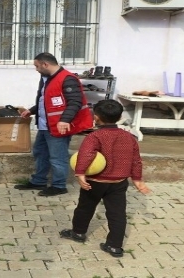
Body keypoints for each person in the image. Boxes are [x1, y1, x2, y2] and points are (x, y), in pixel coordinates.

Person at [59, 99, 150, 258]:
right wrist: (137, 179)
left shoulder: (95, 136)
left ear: (96, 117)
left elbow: (86, 154)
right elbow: (136, 159)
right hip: (118, 183)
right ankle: (115, 246)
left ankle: (78, 233)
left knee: (85, 208)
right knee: (117, 214)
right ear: (120, 116)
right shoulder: (129, 137)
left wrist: (80, 174)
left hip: (95, 182)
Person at [15, 52, 93, 196]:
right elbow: (45, 99)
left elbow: (75, 102)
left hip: (58, 126)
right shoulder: (46, 78)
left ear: (46, 64)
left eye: (37, 66)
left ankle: (59, 185)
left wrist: (64, 120)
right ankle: (38, 181)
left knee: (58, 157)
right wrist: (31, 110)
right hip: (45, 125)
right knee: (40, 153)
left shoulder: (68, 79)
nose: (36, 69)